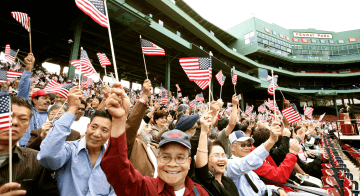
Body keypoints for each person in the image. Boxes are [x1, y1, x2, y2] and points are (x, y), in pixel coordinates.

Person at [101, 84, 209, 196]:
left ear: (189, 162)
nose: (172, 164)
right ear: (158, 160)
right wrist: (119, 121)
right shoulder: (144, 188)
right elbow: (116, 170)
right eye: (166, 157)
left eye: (180, 158)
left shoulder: (201, 193)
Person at [37, 87, 115, 196]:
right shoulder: (69, 150)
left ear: (110, 134)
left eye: (104, 130)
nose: (97, 134)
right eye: (94, 127)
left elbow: (116, 190)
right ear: (87, 127)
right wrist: (72, 108)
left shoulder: (114, 158)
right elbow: (47, 156)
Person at [0, 95, 58, 195]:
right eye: (8, 117)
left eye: (23, 119)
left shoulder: (35, 161)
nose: (14, 122)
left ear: (27, 127)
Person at [226, 123, 288, 196]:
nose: (247, 148)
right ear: (232, 147)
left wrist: (278, 189)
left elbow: (261, 187)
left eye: (249, 144)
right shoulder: (229, 165)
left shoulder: (250, 172)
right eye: (242, 145)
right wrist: (271, 141)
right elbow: (247, 163)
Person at [195, 111, 240, 196]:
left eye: (223, 155)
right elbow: (201, 168)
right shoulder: (206, 183)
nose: (221, 159)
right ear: (206, 159)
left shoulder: (228, 182)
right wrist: (203, 132)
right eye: (216, 155)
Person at [17, 53, 51, 147]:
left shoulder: (52, 115)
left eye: (49, 98)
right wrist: (28, 68)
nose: (48, 100)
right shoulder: (26, 110)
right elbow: (23, 89)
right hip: (23, 149)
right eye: (44, 98)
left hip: (41, 152)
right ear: (35, 100)